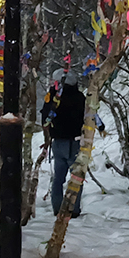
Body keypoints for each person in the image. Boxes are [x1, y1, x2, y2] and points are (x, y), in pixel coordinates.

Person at [45, 68, 86, 217]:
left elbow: (45, 116)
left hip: (58, 142)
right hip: (75, 141)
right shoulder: (80, 97)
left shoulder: (53, 98)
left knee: (58, 178)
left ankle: (57, 208)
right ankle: (73, 209)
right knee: (76, 177)